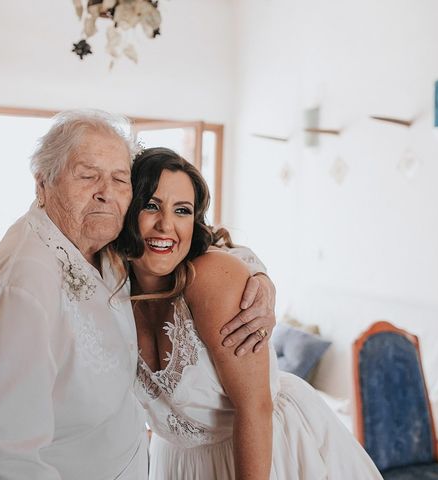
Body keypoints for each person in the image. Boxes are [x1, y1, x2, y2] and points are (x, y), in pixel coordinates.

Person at [0, 110, 276, 479]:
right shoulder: (26, 283)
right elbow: (4, 455)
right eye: (87, 176)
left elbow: (198, 243)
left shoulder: (108, 247)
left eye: (119, 179)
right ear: (42, 184)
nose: (105, 192)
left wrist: (258, 276)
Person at [116, 147, 383, 479]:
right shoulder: (111, 289)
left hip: (266, 448)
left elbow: (255, 408)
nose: (166, 224)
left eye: (182, 210)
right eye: (151, 205)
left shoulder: (211, 278)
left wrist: (259, 277)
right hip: (177, 459)